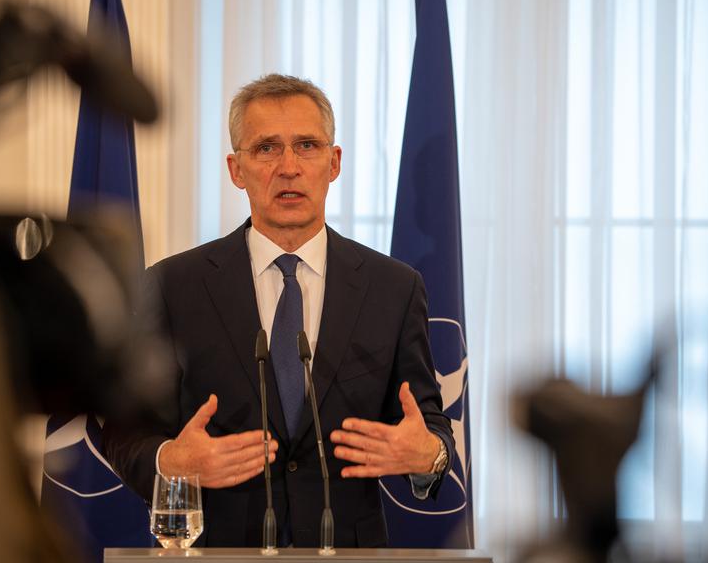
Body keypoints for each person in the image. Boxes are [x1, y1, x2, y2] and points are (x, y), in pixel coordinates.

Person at [103, 74, 454, 548]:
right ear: (236, 169)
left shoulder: (394, 288)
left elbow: (427, 424)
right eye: (266, 148)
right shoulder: (172, 286)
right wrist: (170, 461)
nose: (288, 167)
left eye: (306, 145)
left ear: (334, 163)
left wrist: (428, 454)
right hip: (217, 550)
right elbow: (125, 430)